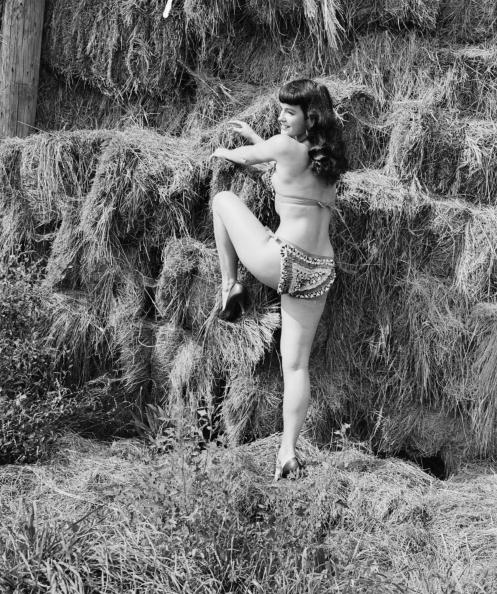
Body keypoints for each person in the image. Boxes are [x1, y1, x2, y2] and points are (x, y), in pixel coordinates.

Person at [210, 79, 347, 480]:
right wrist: (262, 139)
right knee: (297, 366)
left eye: (290, 112)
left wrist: (226, 151)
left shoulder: (284, 146)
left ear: (310, 117)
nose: (281, 117)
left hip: (283, 259)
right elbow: (283, 166)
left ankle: (230, 286)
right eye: (281, 110)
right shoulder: (328, 161)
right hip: (319, 269)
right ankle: (287, 452)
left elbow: (247, 158)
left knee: (222, 200)